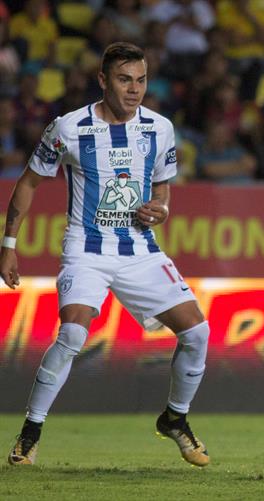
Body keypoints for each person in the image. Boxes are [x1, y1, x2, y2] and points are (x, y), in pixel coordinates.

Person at [2, 42, 210, 467]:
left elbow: (163, 185)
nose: (134, 89)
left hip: (141, 251)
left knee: (198, 333)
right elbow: (28, 183)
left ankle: (175, 418)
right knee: (73, 334)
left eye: (141, 80)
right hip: (87, 251)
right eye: (124, 79)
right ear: (103, 80)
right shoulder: (69, 128)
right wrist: (8, 245)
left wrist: (162, 209)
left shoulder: (161, 128)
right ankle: (30, 432)